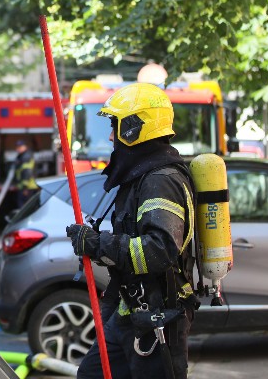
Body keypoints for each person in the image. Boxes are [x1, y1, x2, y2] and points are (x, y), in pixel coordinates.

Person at [66, 83, 197, 379]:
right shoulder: (142, 175)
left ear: (136, 128)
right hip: (130, 311)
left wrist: (98, 244)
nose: (112, 136)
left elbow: (158, 250)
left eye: (116, 125)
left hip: (158, 316)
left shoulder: (160, 181)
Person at [13, 140, 38, 208]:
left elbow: (27, 172)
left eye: (20, 147)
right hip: (26, 187)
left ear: (25, 147)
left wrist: (25, 188)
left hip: (28, 187)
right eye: (17, 147)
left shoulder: (26, 157)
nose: (18, 148)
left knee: (25, 207)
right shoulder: (21, 156)